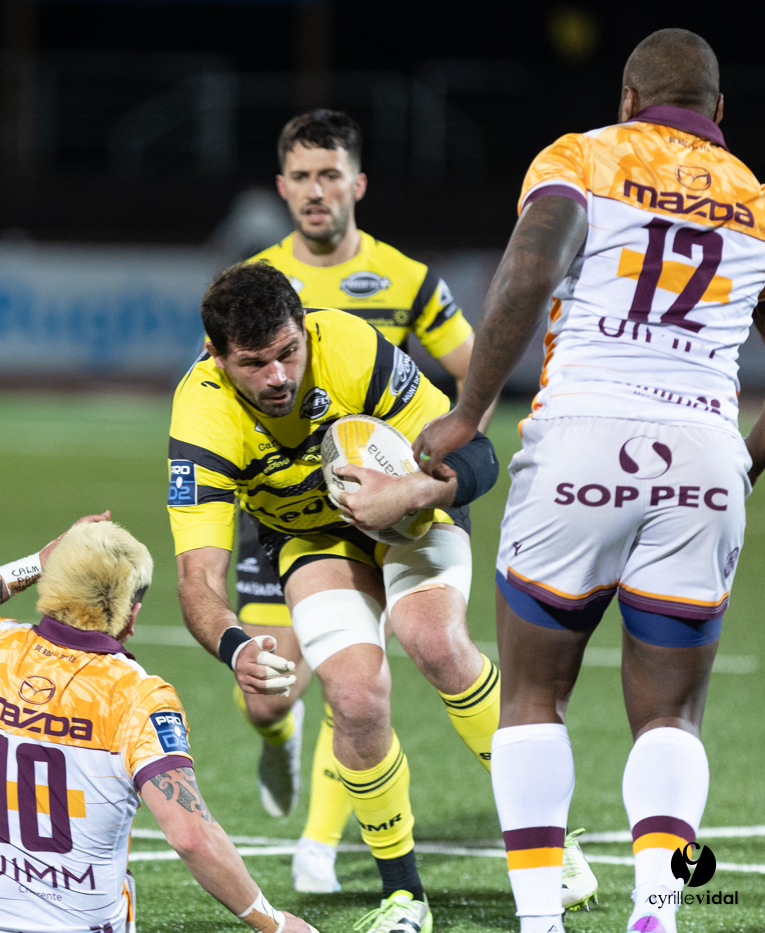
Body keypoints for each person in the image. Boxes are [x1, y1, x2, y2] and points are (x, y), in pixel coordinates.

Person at [415, 28, 765, 933]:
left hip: (582, 437)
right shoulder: (757, 198)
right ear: (719, 112)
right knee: (672, 714)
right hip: (703, 448)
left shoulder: (583, 157)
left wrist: (468, 409)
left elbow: (532, 267)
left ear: (627, 97)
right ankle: (658, 912)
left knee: (533, 696)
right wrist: (742, 464)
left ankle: (541, 922)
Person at [170, 260, 503, 932]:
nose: (278, 377)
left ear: (305, 332)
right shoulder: (202, 415)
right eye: (254, 363)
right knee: (352, 692)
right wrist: (234, 646)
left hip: (412, 509)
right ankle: (404, 893)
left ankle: (549, 836)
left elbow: (480, 456)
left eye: (289, 352)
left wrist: (407, 492)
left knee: (433, 639)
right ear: (215, 355)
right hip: (309, 536)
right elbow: (198, 579)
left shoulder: (350, 346)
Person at [239, 110, 507, 895]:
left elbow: (475, 377)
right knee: (269, 694)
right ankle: (277, 737)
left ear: (356, 184)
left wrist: (433, 465)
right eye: (300, 177)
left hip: (391, 500)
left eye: (329, 175)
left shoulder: (407, 278)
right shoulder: (255, 286)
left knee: (355, 672)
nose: (315, 192)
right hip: (286, 508)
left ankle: (320, 844)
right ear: (282, 188)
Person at [0, 512, 318, 933]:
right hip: (85, 925)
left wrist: (34, 561)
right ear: (131, 616)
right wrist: (274, 924)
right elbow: (193, 836)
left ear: (52, 584)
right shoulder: (139, 695)